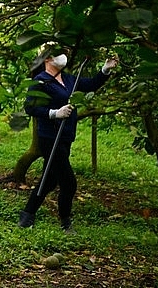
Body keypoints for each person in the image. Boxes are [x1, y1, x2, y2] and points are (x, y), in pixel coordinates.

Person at [18, 45, 118, 233]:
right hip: (50, 137)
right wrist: (55, 113)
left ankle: (27, 216)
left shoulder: (69, 79)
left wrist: (105, 69)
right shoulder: (41, 81)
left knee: (49, 180)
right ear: (47, 59)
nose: (63, 57)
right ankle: (66, 222)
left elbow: (91, 85)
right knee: (69, 182)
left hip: (66, 136)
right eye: (58, 54)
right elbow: (30, 108)